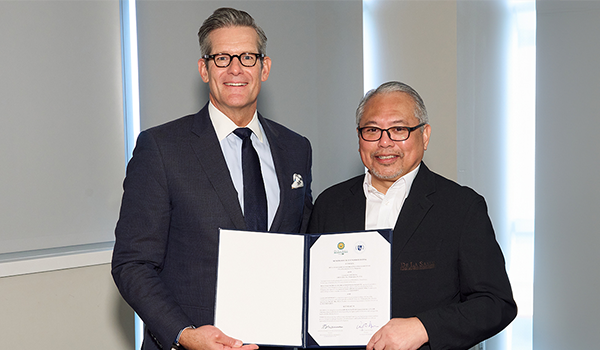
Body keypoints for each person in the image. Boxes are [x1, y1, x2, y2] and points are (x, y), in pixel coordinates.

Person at [112, 8, 313, 350]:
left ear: (264, 67)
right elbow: (132, 263)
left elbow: (304, 243)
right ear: (205, 69)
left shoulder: (296, 148)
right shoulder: (162, 148)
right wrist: (184, 334)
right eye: (222, 58)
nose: (235, 69)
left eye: (247, 57)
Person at [308, 81, 516, 350]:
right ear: (359, 137)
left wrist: (424, 327)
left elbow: (495, 303)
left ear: (425, 135)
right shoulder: (329, 204)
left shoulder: (461, 207)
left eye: (398, 130)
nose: (385, 142)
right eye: (372, 130)